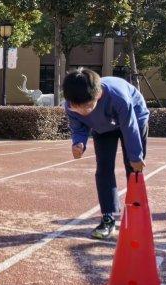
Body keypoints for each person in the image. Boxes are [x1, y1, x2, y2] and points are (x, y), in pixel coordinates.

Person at [63, 67, 149, 239]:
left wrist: (136, 157)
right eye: (76, 107)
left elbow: (129, 127)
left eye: (87, 106)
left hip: (134, 119)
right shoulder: (71, 105)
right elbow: (78, 126)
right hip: (102, 127)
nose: (83, 111)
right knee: (103, 168)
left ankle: (135, 215)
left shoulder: (118, 97)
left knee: (133, 168)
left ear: (98, 95)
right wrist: (78, 143)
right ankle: (108, 218)